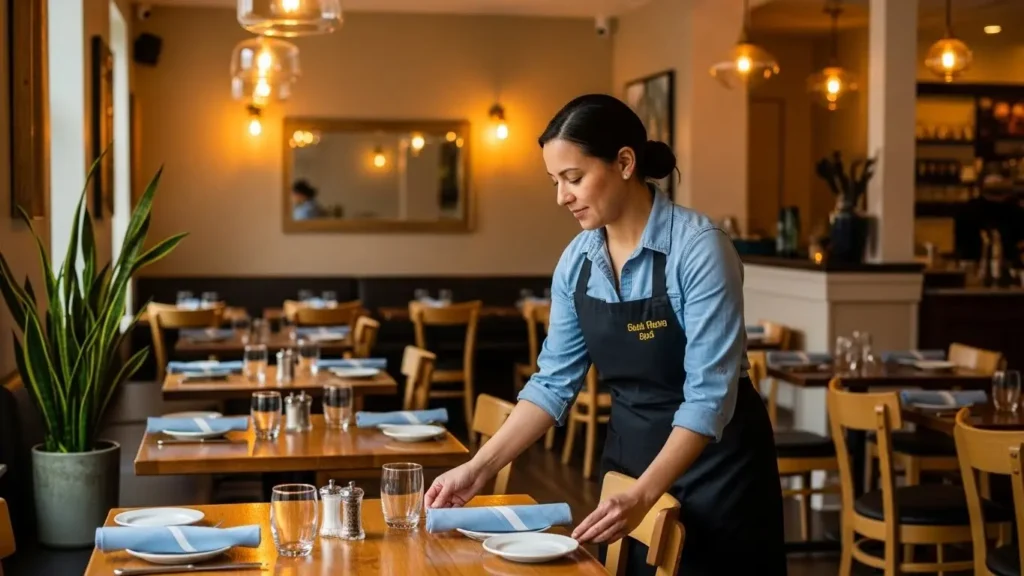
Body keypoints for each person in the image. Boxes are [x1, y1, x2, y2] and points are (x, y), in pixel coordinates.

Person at [424, 94, 786, 576]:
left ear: (624, 162)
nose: (562, 196)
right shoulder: (577, 262)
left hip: (718, 470)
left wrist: (644, 492)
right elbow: (553, 384)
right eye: (555, 182)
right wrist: (480, 467)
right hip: (630, 461)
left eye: (573, 178)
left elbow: (709, 397)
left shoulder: (699, 250)